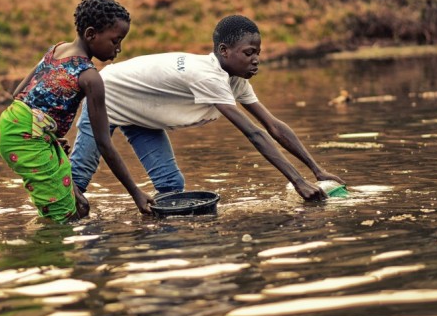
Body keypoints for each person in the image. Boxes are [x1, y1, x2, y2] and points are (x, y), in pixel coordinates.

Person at [70, 14, 347, 201]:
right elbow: (254, 133)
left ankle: (160, 247)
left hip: (144, 112)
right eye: (249, 53)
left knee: (171, 187)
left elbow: (273, 126)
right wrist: (298, 182)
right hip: (107, 96)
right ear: (224, 51)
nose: (256, 61)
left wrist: (317, 170)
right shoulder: (208, 75)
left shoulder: (234, 80)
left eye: (258, 54)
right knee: (77, 180)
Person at [0, 0, 154, 223]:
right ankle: (37, 255)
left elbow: (19, 93)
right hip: (25, 137)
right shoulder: (90, 77)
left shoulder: (56, 49)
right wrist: (136, 193)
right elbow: (103, 143)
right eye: (115, 40)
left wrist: (45, 132)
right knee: (62, 217)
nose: (118, 49)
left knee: (80, 206)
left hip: (14, 124)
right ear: (90, 34)